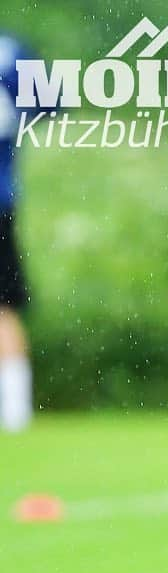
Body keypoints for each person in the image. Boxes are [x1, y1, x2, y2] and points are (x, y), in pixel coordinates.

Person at [0, 30, 39, 432]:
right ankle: (14, 414)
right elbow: (50, 103)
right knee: (3, 307)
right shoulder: (11, 51)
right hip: (1, 197)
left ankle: (14, 414)